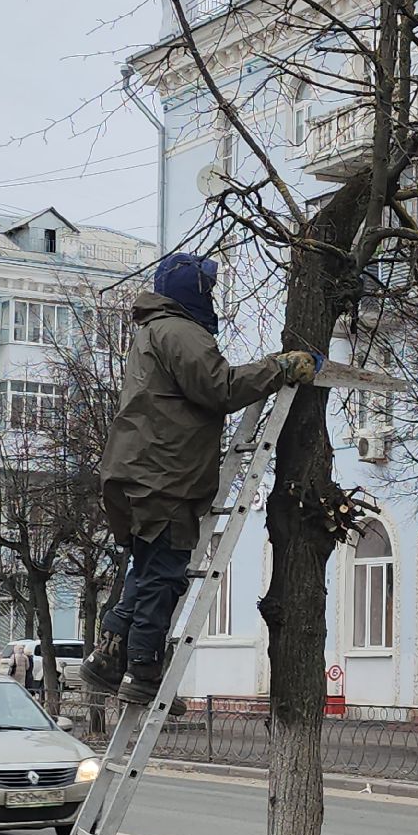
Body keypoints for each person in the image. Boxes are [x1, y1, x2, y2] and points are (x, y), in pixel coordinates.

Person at [84, 252, 320, 707]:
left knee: (147, 570)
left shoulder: (153, 331)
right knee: (165, 577)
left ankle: (108, 658)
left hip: (138, 474)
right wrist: (281, 367)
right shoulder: (180, 331)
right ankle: (143, 670)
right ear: (193, 292)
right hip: (165, 476)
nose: (212, 296)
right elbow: (220, 387)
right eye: (208, 288)